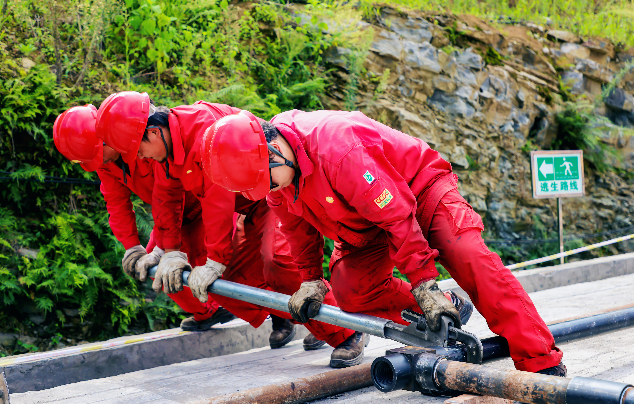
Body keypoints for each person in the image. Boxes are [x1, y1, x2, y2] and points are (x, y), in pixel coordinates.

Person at [199, 108, 567, 376]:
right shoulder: (275, 176)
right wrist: (311, 279)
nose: (270, 190)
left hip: (417, 191)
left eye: (269, 180)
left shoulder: (337, 149)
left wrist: (424, 283)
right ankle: (448, 309)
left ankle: (541, 361)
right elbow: (296, 229)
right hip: (361, 220)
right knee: (351, 290)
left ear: (273, 150)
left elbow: (397, 216)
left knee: (469, 256)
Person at [95, 92, 370, 367]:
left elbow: (218, 199)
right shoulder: (167, 150)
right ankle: (294, 316)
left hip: (271, 191)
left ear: (154, 133)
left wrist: (215, 261)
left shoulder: (202, 130)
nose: (138, 158)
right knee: (227, 277)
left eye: (138, 151)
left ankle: (347, 332)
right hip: (246, 202)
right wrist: (169, 251)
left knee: (275, 262)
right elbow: (166, 198)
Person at [53, 104, 238, 332]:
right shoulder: (105, 163)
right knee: (155, 269)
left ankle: (277, 315)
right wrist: (132, 246)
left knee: (224, 264)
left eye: (94, 155)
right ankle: (209, 311)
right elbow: (116, 201)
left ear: (104, 139)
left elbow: (168, 193)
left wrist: (169, 249)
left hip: (200, 206)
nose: (96, 163)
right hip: (168, 217)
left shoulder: (144, 143)